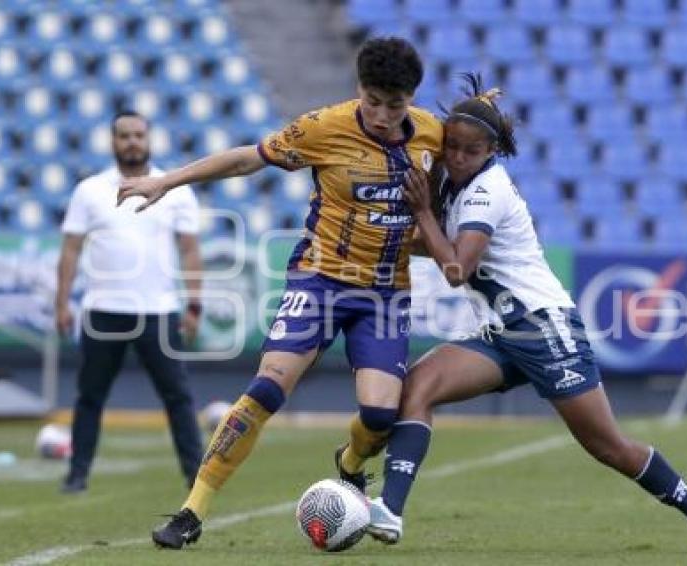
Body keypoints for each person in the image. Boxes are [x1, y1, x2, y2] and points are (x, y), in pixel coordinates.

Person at [365, 74, 687, 556]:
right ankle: (389, 510)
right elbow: (433, 246)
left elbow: (455, 268)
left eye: (470, 151)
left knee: (607, 447)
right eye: (452, 146)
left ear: (491, 151)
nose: (456, 157)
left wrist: (423, 215)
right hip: (499, 333)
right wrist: (377, 236)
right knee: (417, 387)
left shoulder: (487, 190)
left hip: (544, 328)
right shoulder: (451, 185)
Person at [116, 37, 443, 549]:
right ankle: (191, 510)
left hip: (384, 294)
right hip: (319, 280)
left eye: (393, 105)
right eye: (371, 101)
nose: (380, 115)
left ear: (412, 100)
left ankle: (350, 463)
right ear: (359, 88)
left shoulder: (432, 136)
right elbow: (249, 159)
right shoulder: (324, 127)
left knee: (380, 416)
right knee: (268, 385)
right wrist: (171, 181)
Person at [55, 110, 205, 493]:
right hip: (103, 310)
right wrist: (61, 303)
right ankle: (77, 474)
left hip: (158, 311)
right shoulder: (89, 191)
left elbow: (190, 251)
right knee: (90, 396)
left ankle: (197, 476)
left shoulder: (176, 189)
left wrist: (194, 305)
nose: (132, 142)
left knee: (178, 396)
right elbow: (70, 249)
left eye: (139, 134)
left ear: (149, 138)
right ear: (113, 141)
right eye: (124, 135)